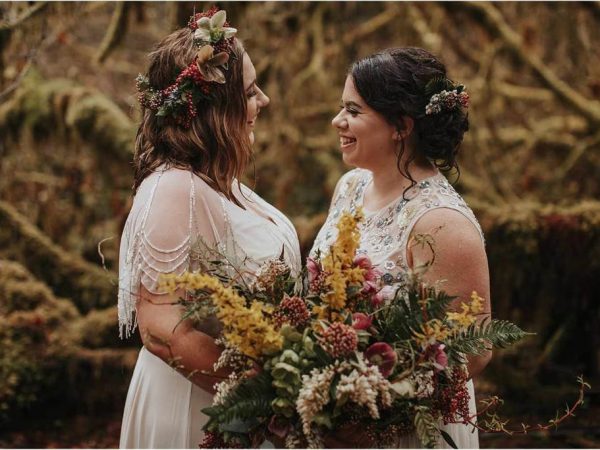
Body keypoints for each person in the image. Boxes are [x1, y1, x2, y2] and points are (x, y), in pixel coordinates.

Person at [117, 8, 301, 448]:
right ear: (216, 108)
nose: (264, 101)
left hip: (237, 411)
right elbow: (161, 329)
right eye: (251, 91)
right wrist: (271, 394)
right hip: (197, 410)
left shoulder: (220, 184)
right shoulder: (174, 189)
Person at [310, 47, 491, 448]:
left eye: (354, 111)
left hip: (405, 429)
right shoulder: (351, 186)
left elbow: (472, 350)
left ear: (401, 126)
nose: (338, 121)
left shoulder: (441, 222)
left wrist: (376, 409)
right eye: (343, 108)